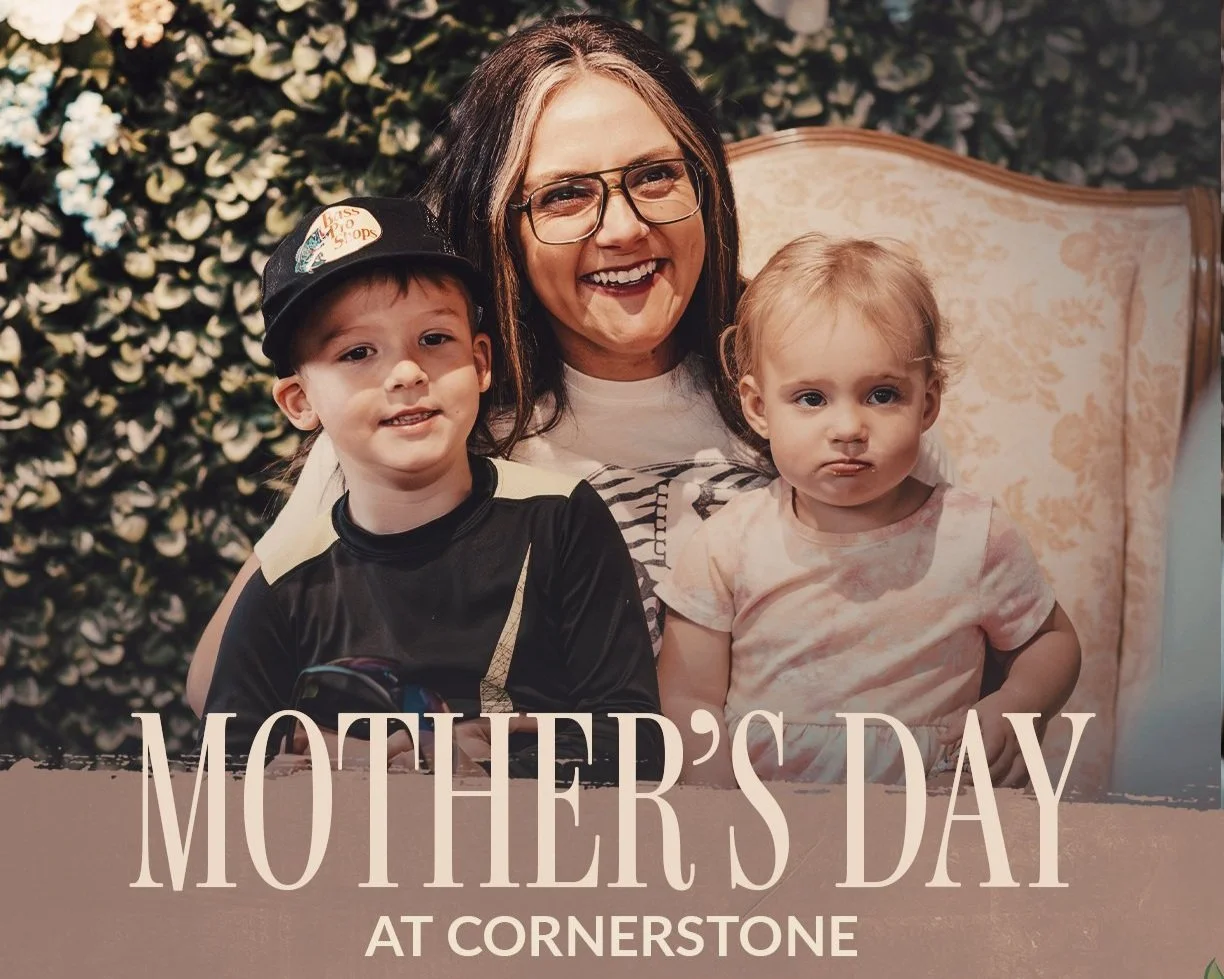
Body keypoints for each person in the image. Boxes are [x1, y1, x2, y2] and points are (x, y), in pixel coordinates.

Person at [185, 13, 952, 718]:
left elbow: (950, 616)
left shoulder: (827, 383)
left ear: (705, 186)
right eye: (565, 195)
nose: (622, 228)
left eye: (654, 175)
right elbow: (217, 686)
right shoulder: (427, 411)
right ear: (501, 226)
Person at [200, 195, 664, 783]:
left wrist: (473, 763)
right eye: (358, 352)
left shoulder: (559, 517)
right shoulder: (284, 579)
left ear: (481, 361)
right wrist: (362, 763)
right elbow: (224, 765)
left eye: (434, 339)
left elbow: (635, 742)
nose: (407, 372)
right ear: (300, 402)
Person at [655, 234, 1081, 787]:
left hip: (929, 805)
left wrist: (1018, 704)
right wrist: (716, 799)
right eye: (811, 399)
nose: (849, 429)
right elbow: (688, 696)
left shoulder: (974, 536)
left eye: (882, 395)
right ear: (758, 407)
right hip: (768, 810)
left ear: (927, 402)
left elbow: (1052, 641)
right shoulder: (727, 544)